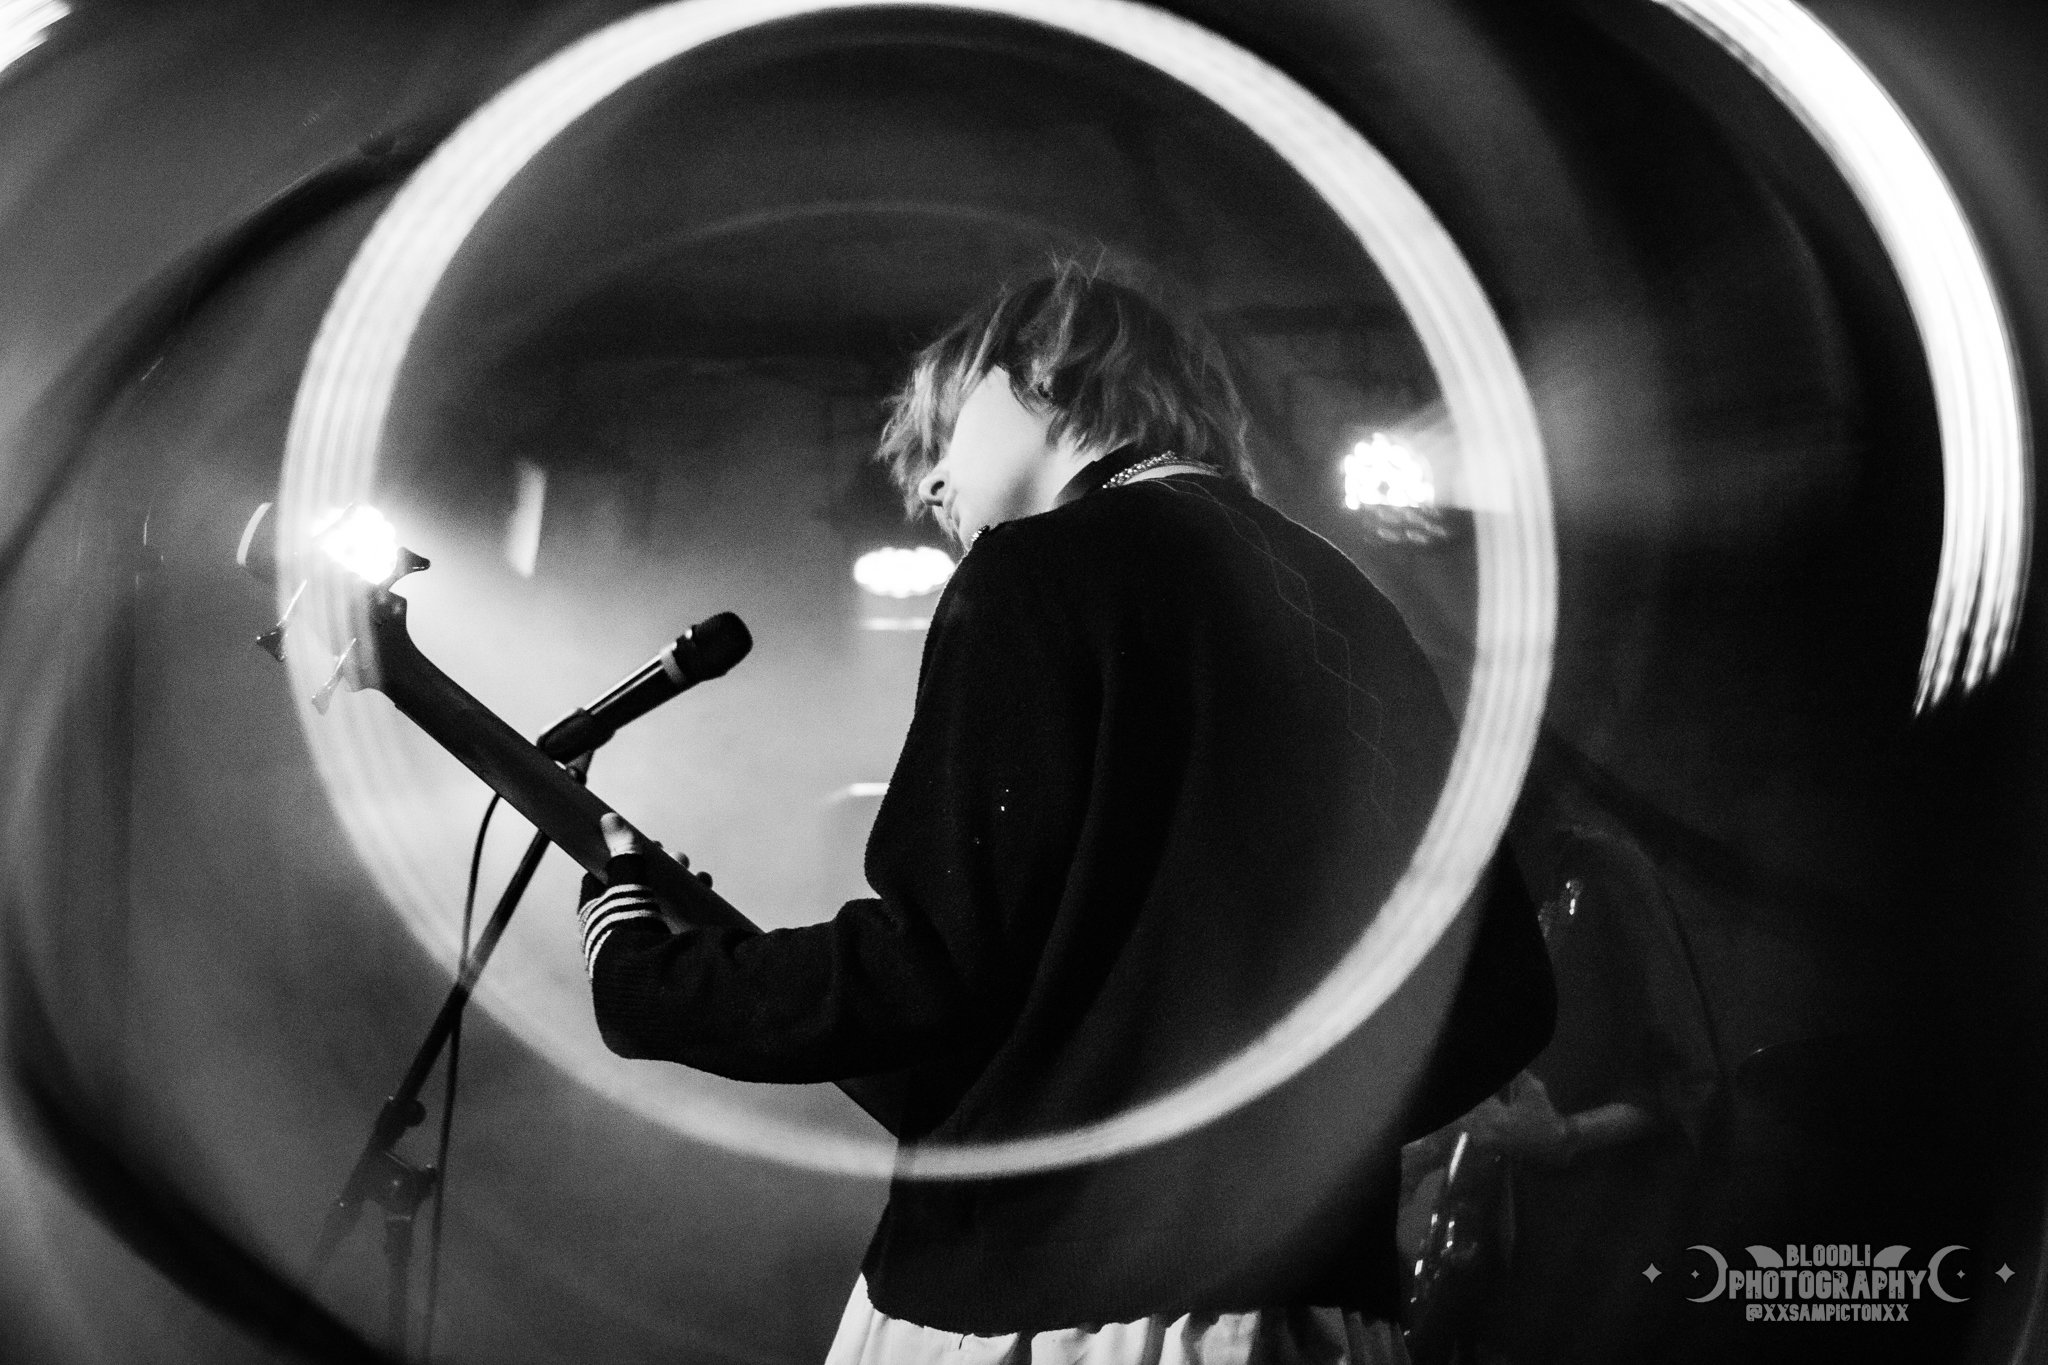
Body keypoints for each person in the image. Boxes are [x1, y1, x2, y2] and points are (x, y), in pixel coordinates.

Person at [574, 260, 1553, 1363]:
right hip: (1316, 1315)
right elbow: (1501, 1000)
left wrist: (649, 980)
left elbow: (929, 969)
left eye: (945, 433)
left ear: (1041, 368)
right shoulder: (1359, 613)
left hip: (1048, 1311)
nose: (931, 488)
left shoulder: (1033, 571)